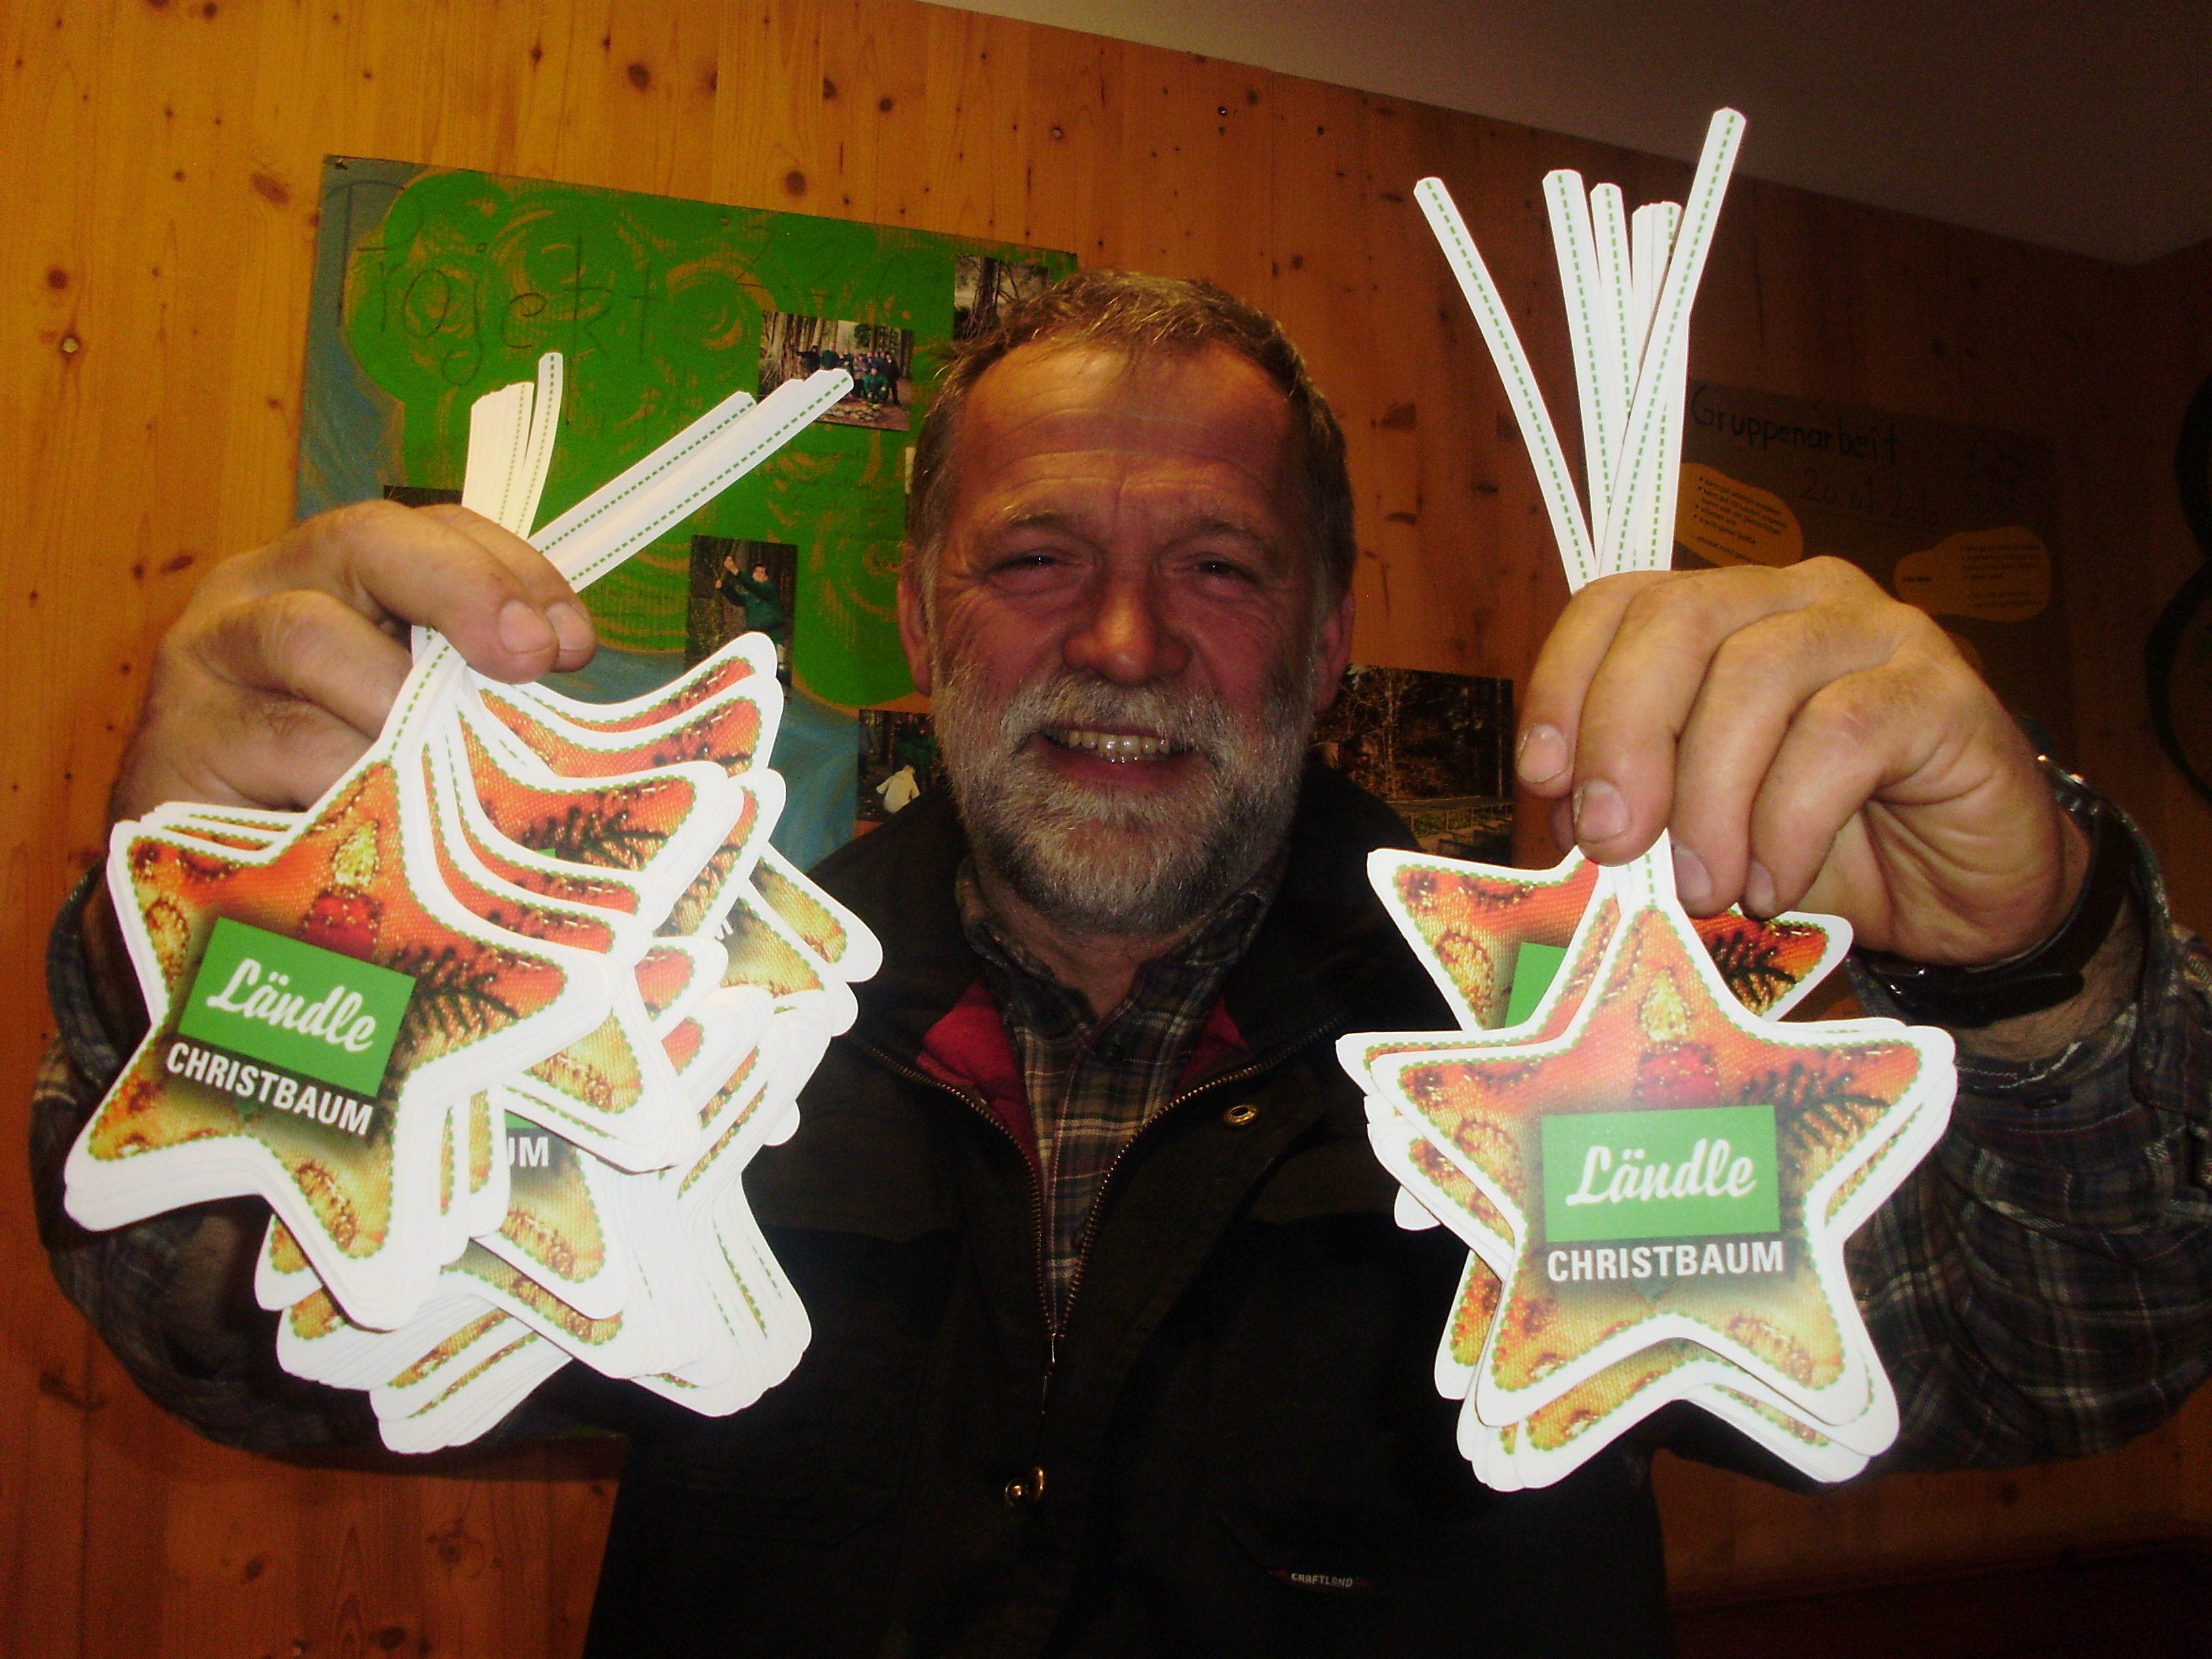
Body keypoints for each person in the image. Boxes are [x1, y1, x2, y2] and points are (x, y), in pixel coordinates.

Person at [31, 270, 2212, 1656]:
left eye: (1225, 570)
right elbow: (255, 1340)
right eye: (1037, 557)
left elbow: (2073, 1362)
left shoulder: (1552, 1036)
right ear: (921, 616)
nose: (1128, 640)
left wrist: (2041, 955)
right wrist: (216, 948)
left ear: (1332, 640)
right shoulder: (676, 1004)